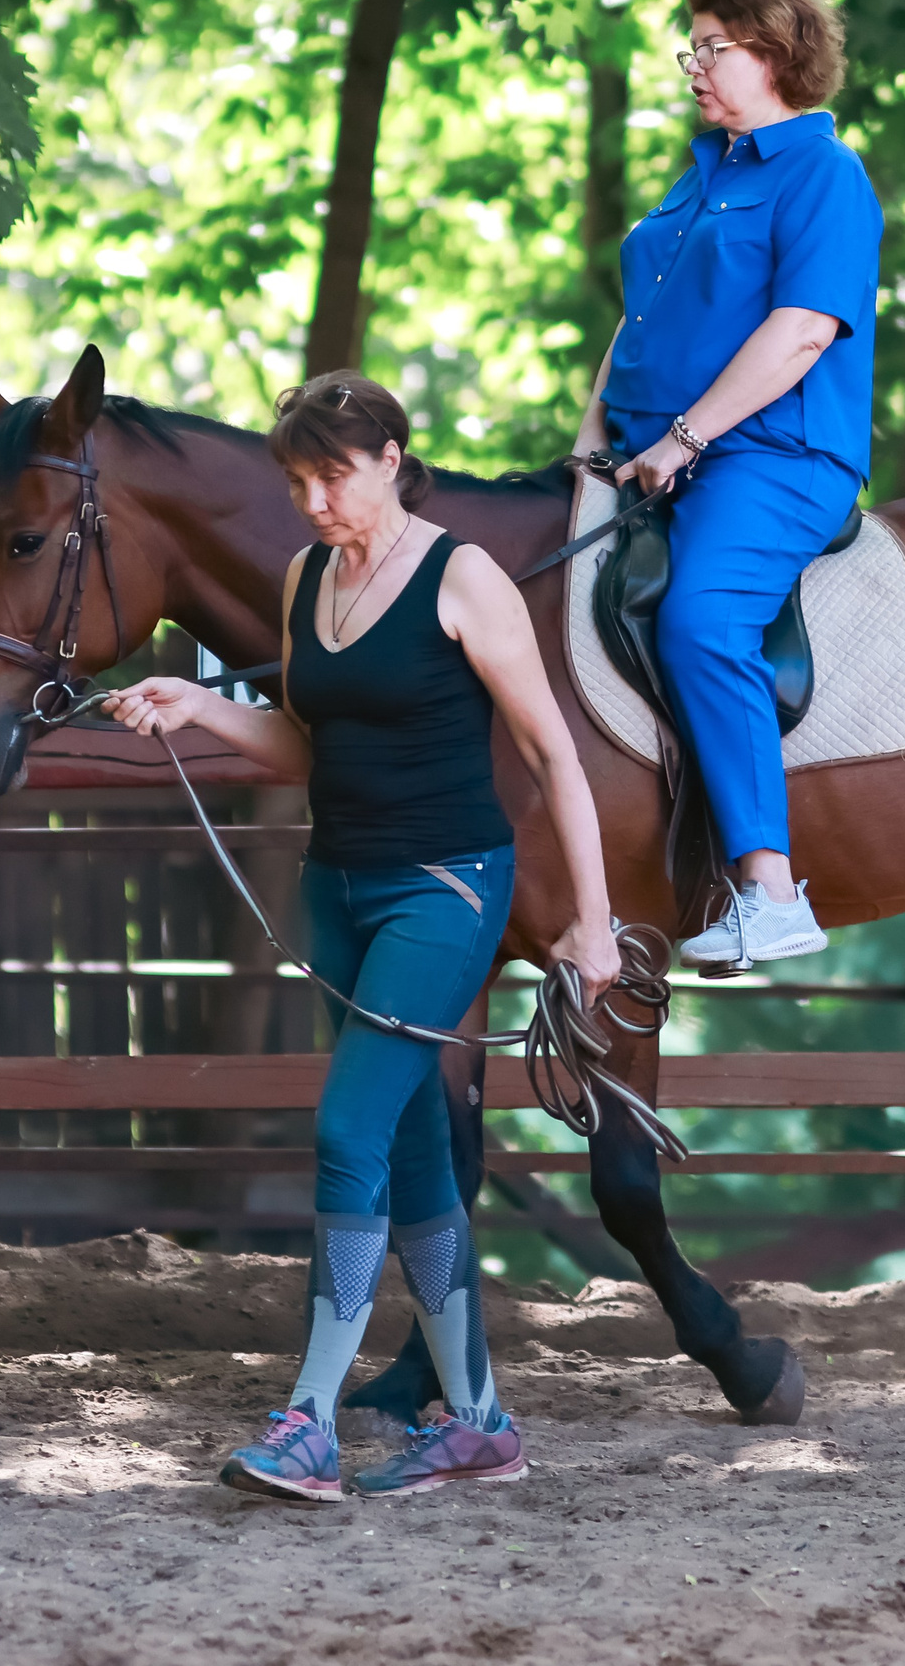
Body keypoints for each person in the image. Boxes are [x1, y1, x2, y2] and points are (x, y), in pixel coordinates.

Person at [102, 372, 620, 1503]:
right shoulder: (302, 579)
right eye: (296, 480)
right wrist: (196, 708)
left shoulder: (463, 577)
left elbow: (551, 755)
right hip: (335, 887)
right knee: (414, 1142)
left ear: (392, 455)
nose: (314, 500)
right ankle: (477, 1421)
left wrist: (590, 917)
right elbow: (306, 745)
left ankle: (307, 1421)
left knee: (347, 1127)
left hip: (443, 887)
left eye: (332, 473)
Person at [581, 0, 884, 974]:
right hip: (653, 454)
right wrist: (590, 450)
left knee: (703, 619)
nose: (693, 67)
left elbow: (801, 331)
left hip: (772, 457)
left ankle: (768, 888)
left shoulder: (823, 175)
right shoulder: (704, 172)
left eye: (712, 47)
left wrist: (687, 436)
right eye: (692, 48)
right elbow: (636, 322)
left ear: (775, 49)